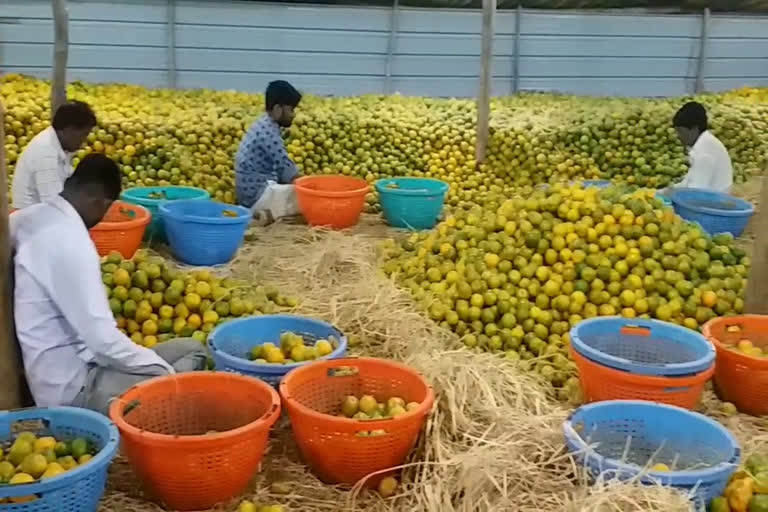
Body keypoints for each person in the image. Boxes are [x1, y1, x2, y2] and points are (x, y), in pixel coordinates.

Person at [11, 153, 207, 415]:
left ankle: (160, 384)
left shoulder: (29, 218)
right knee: (182, 382)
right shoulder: (74, 245)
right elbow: (102, 340)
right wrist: (162, 373)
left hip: (88, 363)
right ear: (99, 202)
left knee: (193, 351)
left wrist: (145, 362)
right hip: (75, 389)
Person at [235, 80, 302, 224]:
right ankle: (259, 214)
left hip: (250, 191)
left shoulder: (263, 123)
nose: (293, 115)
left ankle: (263, 213)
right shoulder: (269, 133)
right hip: (257, 195)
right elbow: (286, 168)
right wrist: (312, 188)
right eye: (291, 110)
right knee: (302, 198)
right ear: (278, 109)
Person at [12, 100, 98, 210]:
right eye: (84, 134)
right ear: (69, 130)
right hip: (33, 221)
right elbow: (54, 205)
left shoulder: (60, 147)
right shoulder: (46, 152)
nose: (84, 141)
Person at [668, 101, 733, 194]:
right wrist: (667, 191)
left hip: (712, 204)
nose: (678, 136)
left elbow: (695, 193)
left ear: (694, 129)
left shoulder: (704, 153)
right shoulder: (704, 144)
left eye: (680, 131)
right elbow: (689, 182)